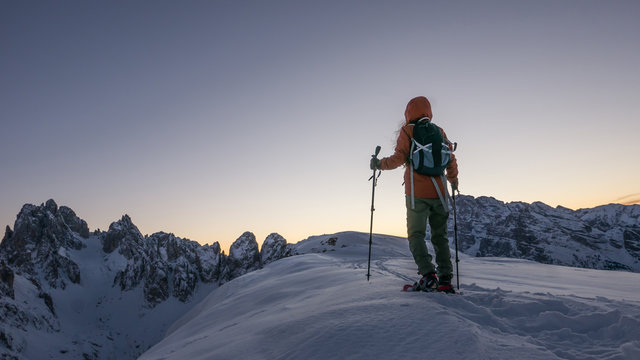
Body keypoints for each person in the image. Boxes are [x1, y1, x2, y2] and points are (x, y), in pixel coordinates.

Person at [370, 96, 459, 293]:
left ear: (409, 113)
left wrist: (378, 164)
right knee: (440, 237)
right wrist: (453, 180)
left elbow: (397, 159)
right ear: (428, 111)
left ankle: (428, 275)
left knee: (416, 234)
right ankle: (445, 280)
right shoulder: (439, 131)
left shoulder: (408, 130)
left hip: (416, 193)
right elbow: (450, 159)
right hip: (440, 192)